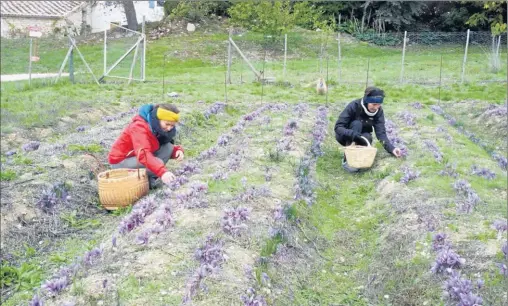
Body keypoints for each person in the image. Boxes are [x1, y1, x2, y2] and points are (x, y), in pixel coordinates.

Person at [108, 103, 184, 189]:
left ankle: (149, 179)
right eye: (167, 124)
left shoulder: (155, 127)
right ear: (157, 119)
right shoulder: (139, 127)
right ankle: (146, 180)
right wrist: (162, 172)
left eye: (172, 125)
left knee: (168, 147)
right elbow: (143, 154)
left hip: (136, 156)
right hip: (120, 162)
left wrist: (176, 151)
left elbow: (159, 144)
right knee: (158, 162)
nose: (169, 128)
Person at [334, 86, 402, 172]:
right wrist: (351, 133)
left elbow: (381, 133)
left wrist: (392, 149)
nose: (376, 107)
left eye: (379, 104)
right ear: (366, 101)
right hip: (345, 136)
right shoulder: (354, 106)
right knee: (357, 124)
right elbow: (338, 127)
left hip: (362, 136)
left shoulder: (379, 112)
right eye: (374, 104)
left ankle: (359, 158)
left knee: (368, 137)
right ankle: (347, 159)